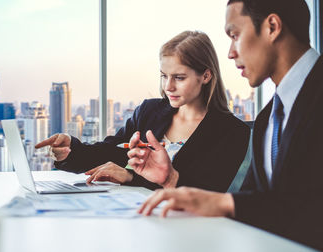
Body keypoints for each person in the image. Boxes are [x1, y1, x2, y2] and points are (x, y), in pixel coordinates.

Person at [130, 0, 323, 251]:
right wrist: (170, 179)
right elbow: (264, 205)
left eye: (235, 35)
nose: (230, 52)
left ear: (272, 27)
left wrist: (228, 203)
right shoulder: (268, 119)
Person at [35, 31, 250, 192]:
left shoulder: (231, 132)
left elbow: (205, 193)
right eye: (164, 76)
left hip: (189, 228)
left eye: (179, 77)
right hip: (137, 218)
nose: (168, 87)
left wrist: (130, 177)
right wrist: (72, 149)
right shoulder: (150, 111)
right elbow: (110, 153)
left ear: (205, 76)